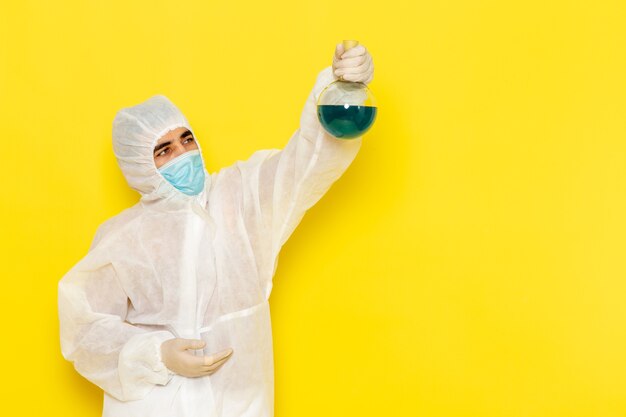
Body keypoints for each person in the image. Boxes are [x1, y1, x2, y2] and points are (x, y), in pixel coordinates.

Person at [57, 42, 374, 417]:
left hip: (238, 400)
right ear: (139, 166)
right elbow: (83, 326)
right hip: (155, 405)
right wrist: (156, 355)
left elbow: (304, 165)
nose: (184, 153)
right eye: (164, 149)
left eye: (186, 138)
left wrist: (337, 88)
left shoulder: (240, 197)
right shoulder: (124, 236)